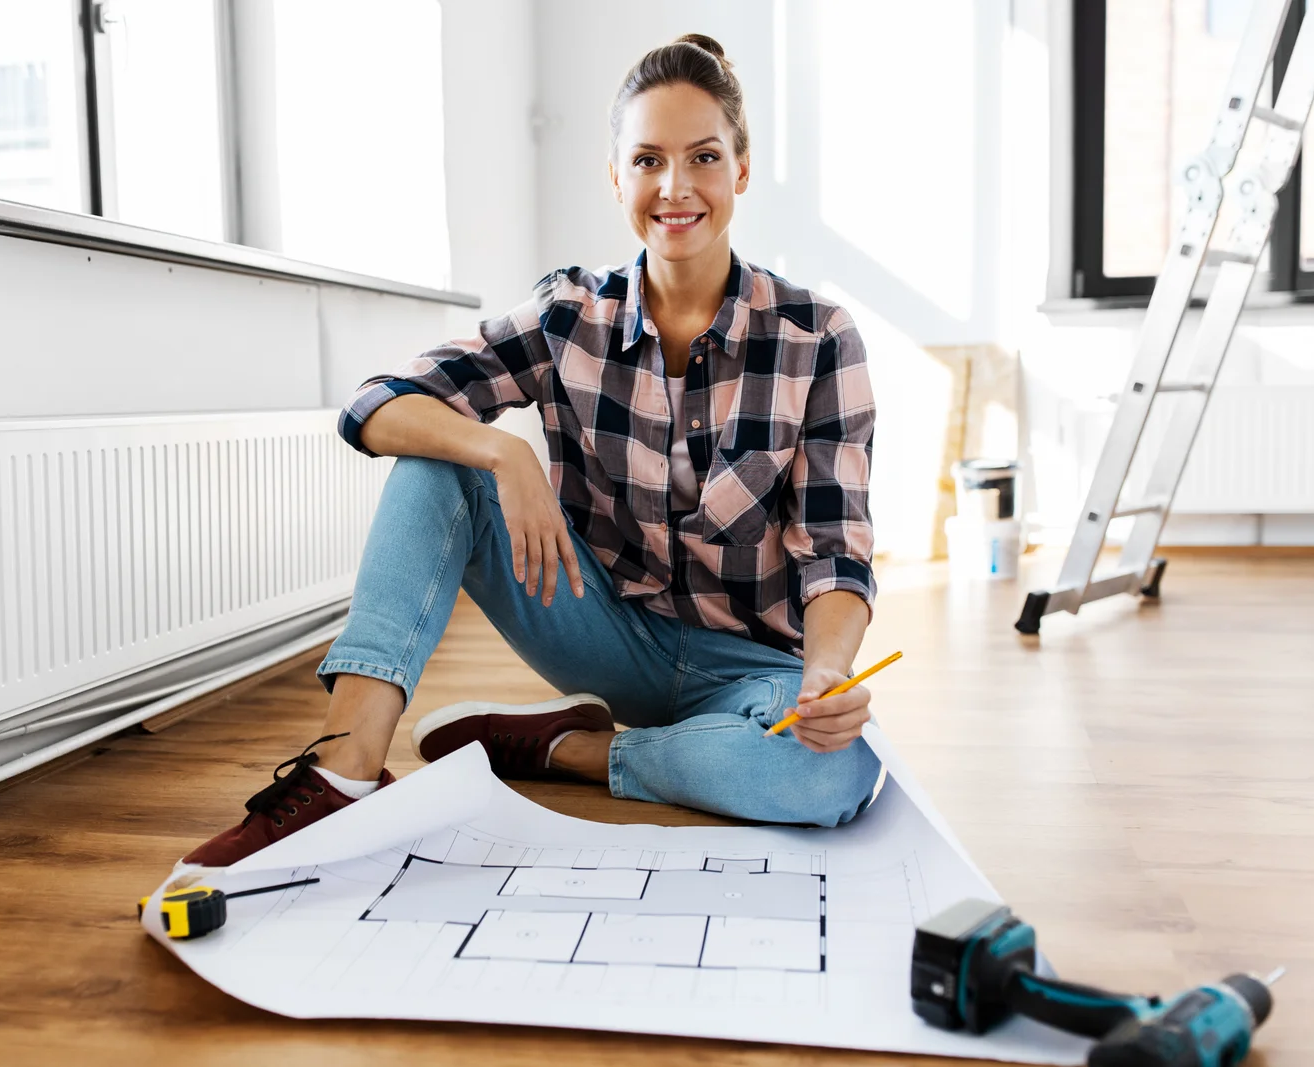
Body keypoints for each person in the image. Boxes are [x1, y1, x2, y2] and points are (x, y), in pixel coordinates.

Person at [182, 33, 881, 870]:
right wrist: (504, 455)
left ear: (740, 167)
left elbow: (834, 554)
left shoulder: (819, 336)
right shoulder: (567, 317)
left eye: (702, 156)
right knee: (440, 458)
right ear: (616, 176)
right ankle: (345, 767)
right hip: (602, 631)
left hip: (749, 668)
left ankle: (570, 750)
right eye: (648, 159)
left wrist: (827, 676)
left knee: (832, 781)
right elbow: (376, 402)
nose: (675, 186)